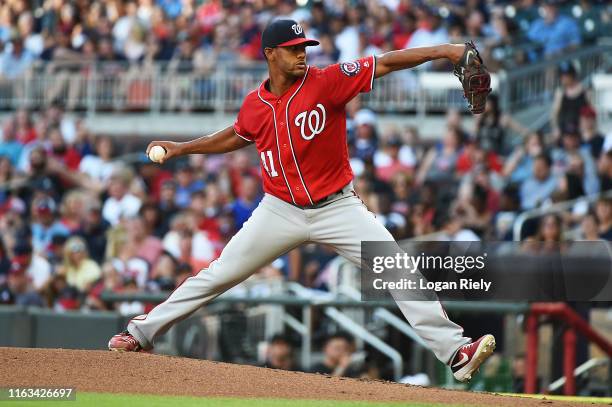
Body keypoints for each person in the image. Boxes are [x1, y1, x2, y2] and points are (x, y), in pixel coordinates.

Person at [108, 19, 495, 383]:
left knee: (396, 268)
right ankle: (140, 333)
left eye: (304, 47)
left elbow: (387, 62)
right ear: (270, 54)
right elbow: (236, 135)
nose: (302, 53)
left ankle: (456, 352)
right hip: (279, 210)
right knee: (217, 274)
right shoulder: (254, 104)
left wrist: (446, 51)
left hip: (337, 207)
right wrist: (182, 149)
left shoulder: (327, 81)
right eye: (293, 48)